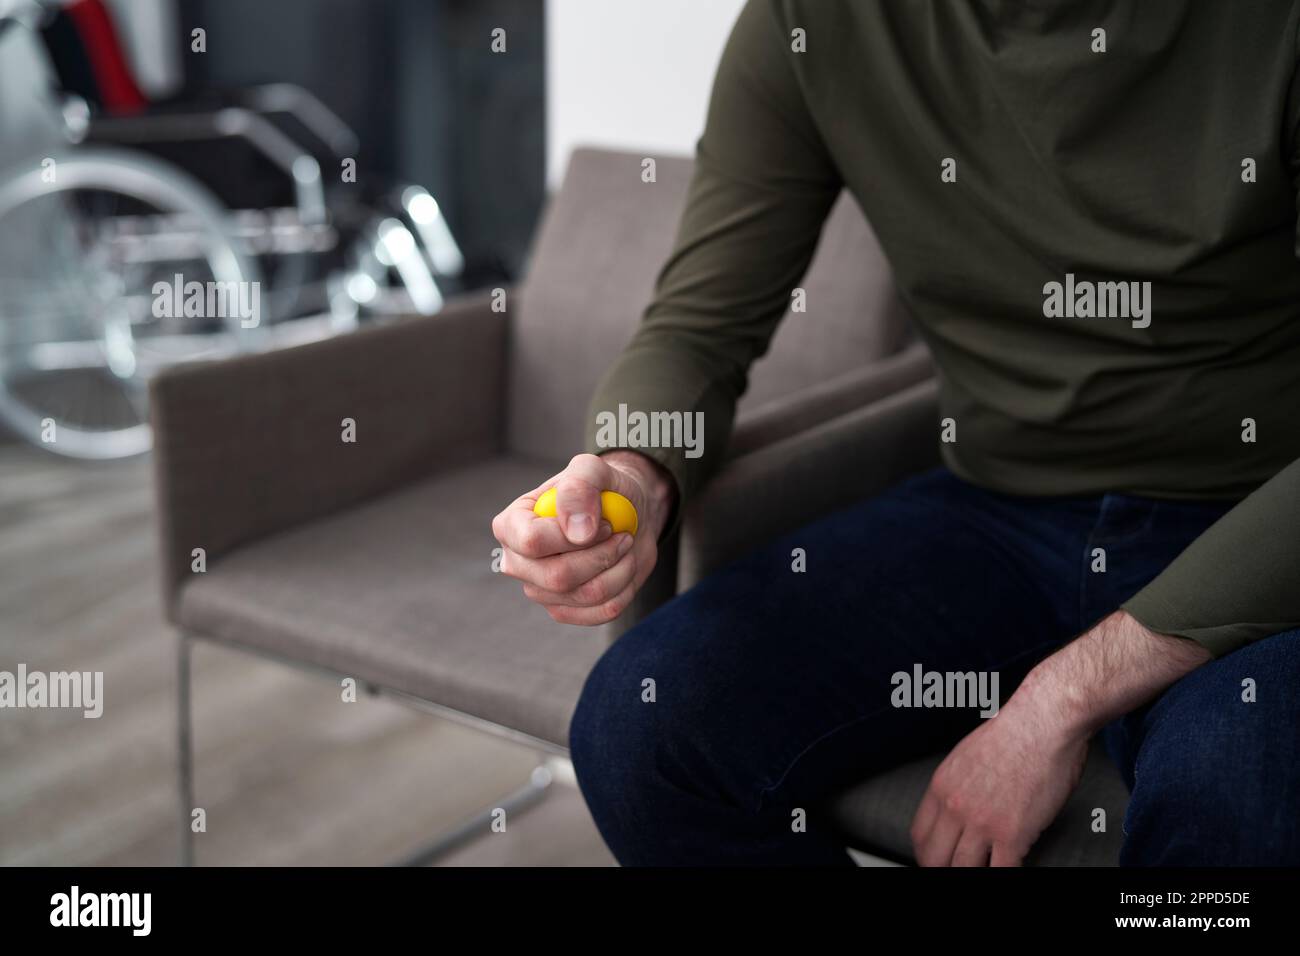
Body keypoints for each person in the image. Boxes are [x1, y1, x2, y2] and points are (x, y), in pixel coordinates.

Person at [491, 0, 1300, 865]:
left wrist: (1056, 702)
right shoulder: (811, 23)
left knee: (1233, 784)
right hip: (1001, 506)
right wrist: (633, 473)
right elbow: (699, 328)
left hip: (1257, 521)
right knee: (645, 728)